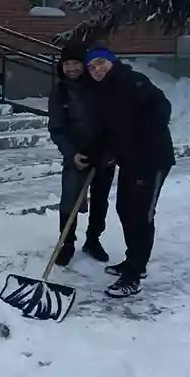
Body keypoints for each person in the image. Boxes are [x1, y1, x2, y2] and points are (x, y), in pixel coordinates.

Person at [83, 45, 175, 298]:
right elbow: (108, 129)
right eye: (91, 67)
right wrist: (100, 152)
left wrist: (141, 138)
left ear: (112, 62)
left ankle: (134, 274)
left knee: (140, 214)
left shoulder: (132, 81)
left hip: (152, 158)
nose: (97, 69)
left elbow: (162, 107)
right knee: (125, 208)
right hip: (130, 160)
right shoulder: (103, 91)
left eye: (101, 63)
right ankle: (133, 260)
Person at [48, 41, 115, 266]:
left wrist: (110, 150)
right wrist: (71, 154)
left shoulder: (99, 85)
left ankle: (93, 240)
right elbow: (57, 128)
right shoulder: (60, 91)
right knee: (69, 199)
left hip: (104, 154)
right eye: (67, 64)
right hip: (76, 155)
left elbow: (113, 120)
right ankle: (66, 243)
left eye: (76, 63)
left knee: (99, 201)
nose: (72, 68)